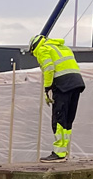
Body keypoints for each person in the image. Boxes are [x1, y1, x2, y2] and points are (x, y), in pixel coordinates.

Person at [29, 34, 85, 162]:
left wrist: (47, 88)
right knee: (68, 120)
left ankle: (59, 154)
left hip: (63, 85)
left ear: (33, 48)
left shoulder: (43, 49)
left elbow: (49, 69)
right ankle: (63, 151)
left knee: (59, 119)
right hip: (77, 83)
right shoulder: (63, 47)